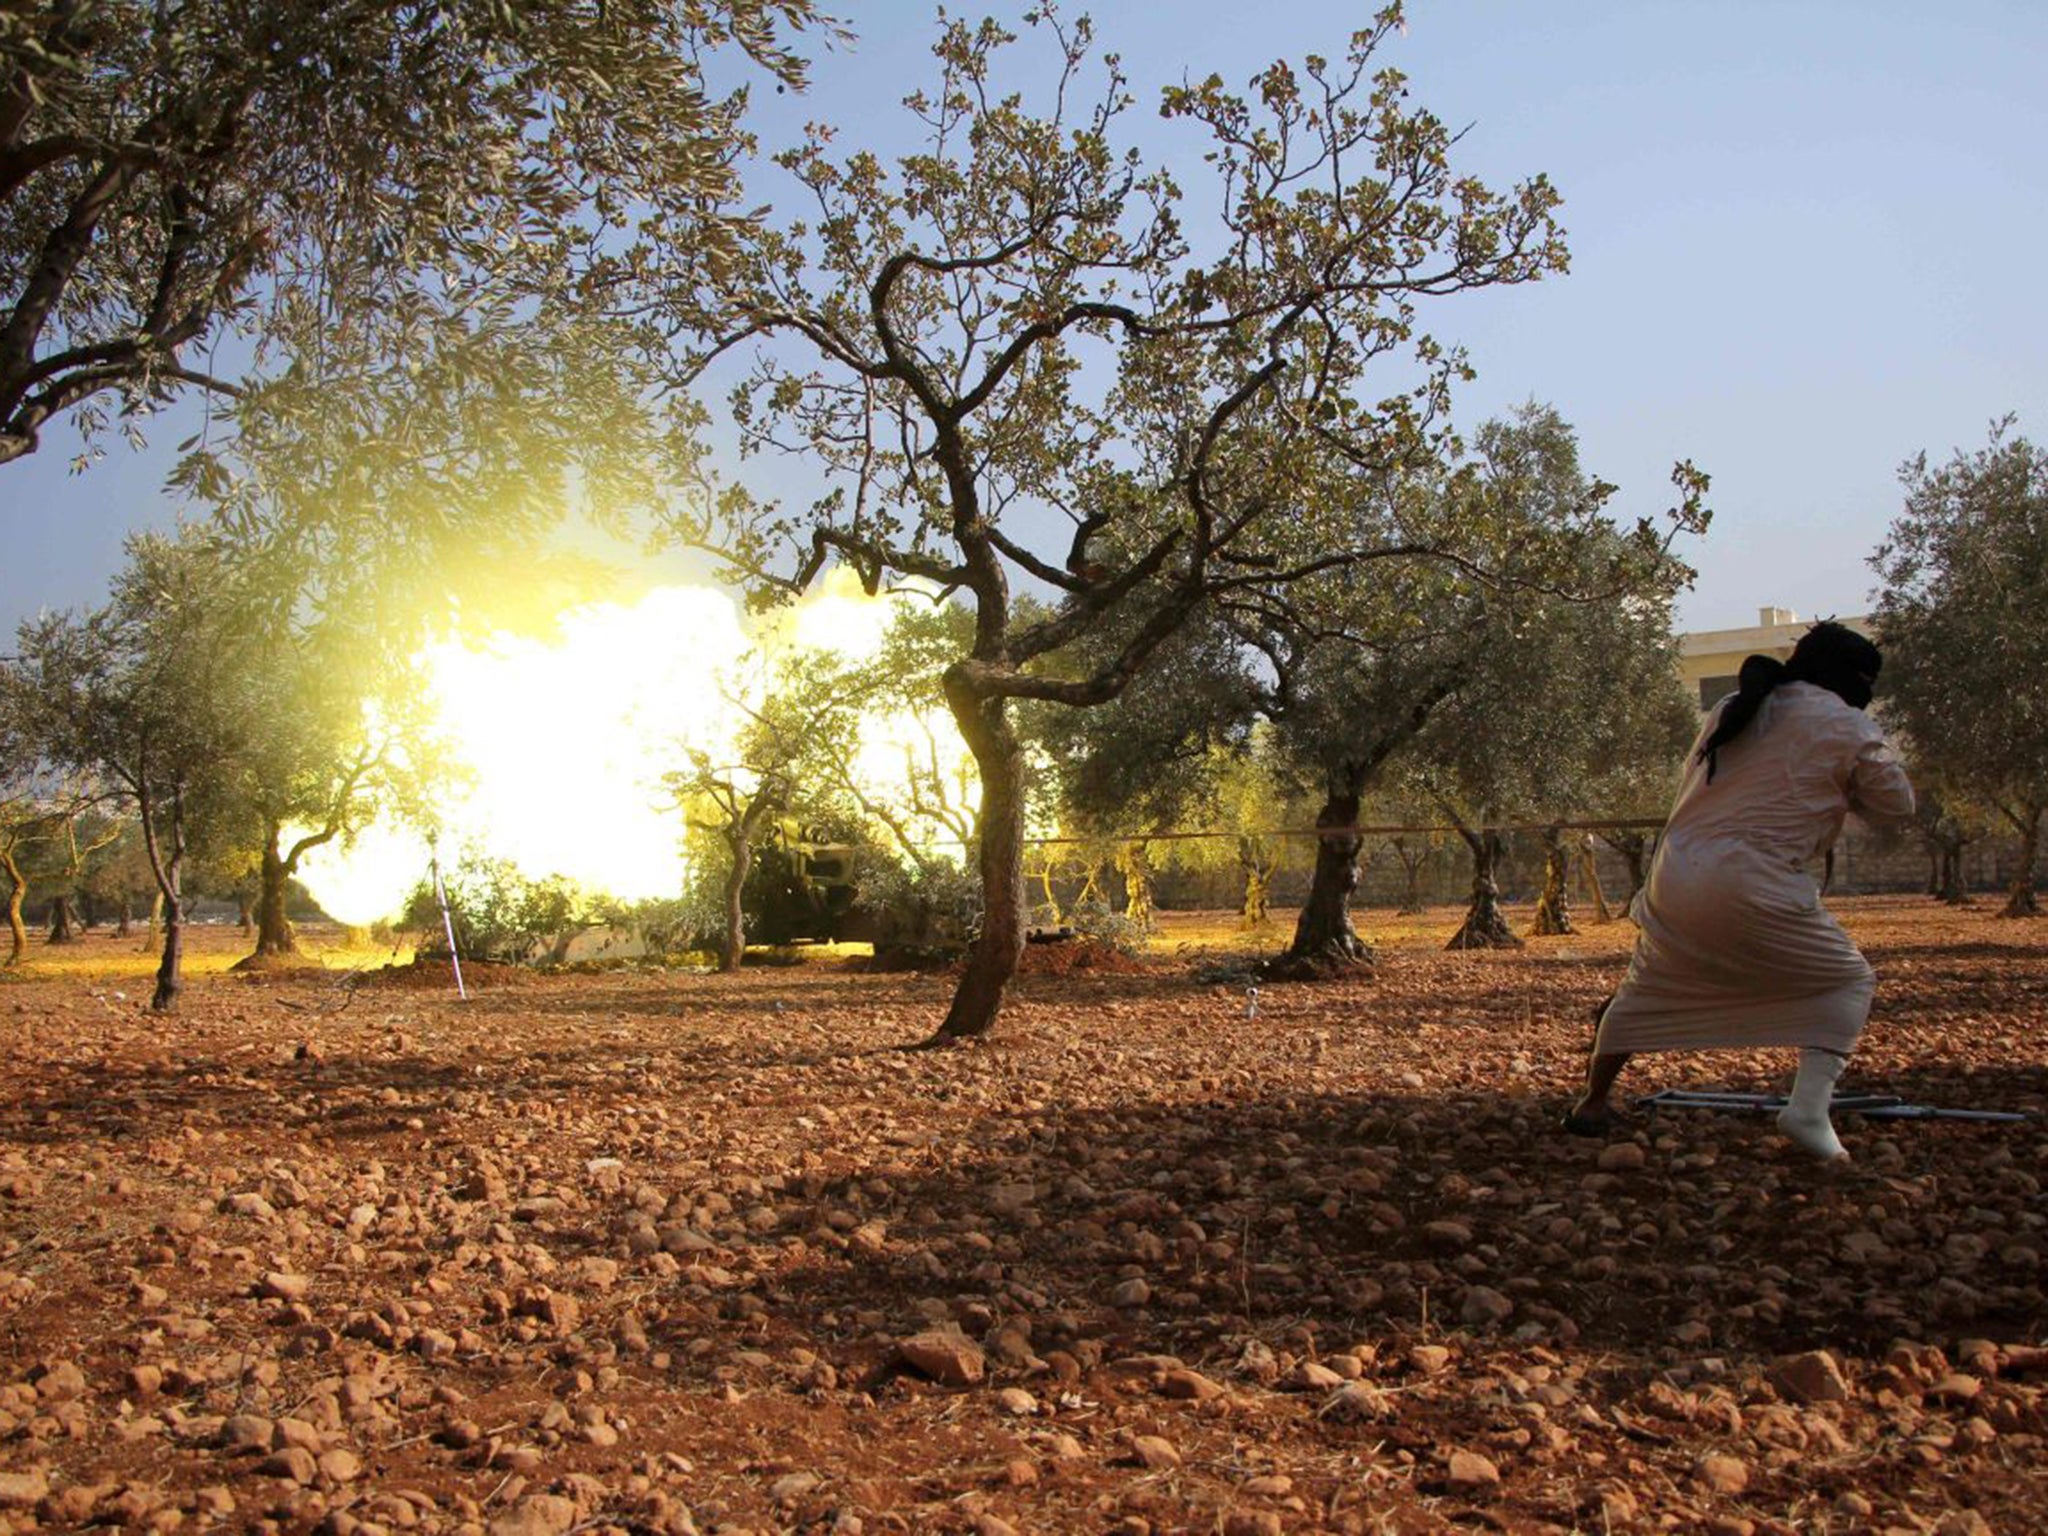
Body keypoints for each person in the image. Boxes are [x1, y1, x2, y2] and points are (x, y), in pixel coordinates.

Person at [1564, 621, 1916, 1160]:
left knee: (1645, 985)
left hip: (1675, 873)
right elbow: (1897, 805)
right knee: (1849, 982)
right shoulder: (1848, 726)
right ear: (1855, 682)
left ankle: (1591, 1103)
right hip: (1754, 880)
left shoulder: (1732, 706)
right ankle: (1808, 1111)